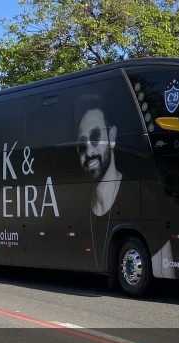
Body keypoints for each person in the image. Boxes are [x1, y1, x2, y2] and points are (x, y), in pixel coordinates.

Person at [75, 95, 123, 270]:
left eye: (95, 136)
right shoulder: (78, 206)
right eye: (82, 144)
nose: (88, 151)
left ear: (112, 135)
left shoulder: (143, 199)